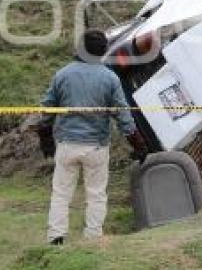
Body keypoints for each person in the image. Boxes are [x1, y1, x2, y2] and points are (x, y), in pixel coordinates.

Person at [38, 30, 148, 245]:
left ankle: (56, 238)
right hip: (96, 146)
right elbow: (123, 115)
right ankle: (93, 239)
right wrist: (138, 143)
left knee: (61, 193)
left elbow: (47, 109)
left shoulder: (63, 74)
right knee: (96, 194)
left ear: (80, 48)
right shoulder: (109, 77)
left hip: (67, 144)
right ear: (103, 51)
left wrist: (45, 138)